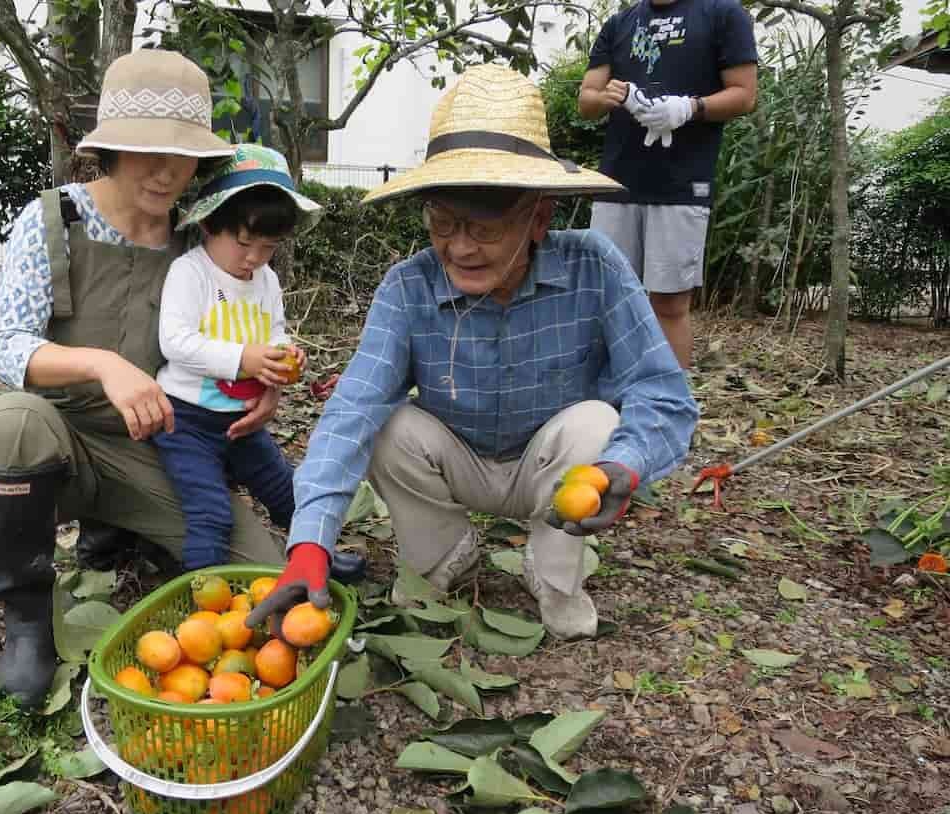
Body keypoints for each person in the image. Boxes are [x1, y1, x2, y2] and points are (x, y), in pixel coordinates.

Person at [0, 51, 353, 709]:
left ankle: (124, 527)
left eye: (183, 155)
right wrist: (102, 364)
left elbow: (241, 325)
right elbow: (6, 347)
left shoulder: (199, 238)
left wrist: (270, 381)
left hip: (152, 440)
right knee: (10, 424)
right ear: (110, 147)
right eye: (146, 151)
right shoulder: (55, 220)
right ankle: (26, 621)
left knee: (252, 572)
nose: (166, 171)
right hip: (51, 429)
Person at [246, 64, 699, 641]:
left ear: (539, 218)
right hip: (454, 458)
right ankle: (443, 555)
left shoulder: (595, 267)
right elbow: (351, 411)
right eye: (442, 222)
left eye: (483, 229)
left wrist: (624, 466)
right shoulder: (409, 287)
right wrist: (310, 543)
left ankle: (554, 571)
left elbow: (662, 391)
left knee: (598, 423)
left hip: (551, 467)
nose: (459, 247)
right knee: (384, 424)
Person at [151, 144, 318, 571]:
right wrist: (244, 357)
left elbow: (274, 331)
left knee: (288, 493)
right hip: (185, 422)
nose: (254, 258)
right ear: (209, 224)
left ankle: (319, 563)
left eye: (268, 247)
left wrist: (283, 358)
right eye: (244, 243)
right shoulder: (191, 273)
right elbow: (175, 342)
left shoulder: (266, 280)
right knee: (211, 513)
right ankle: (202, 596)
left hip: (242, 422)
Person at [578, 0, 757, 367]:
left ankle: (668, 407)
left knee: (670, 303)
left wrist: (691, 108)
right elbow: (586, 99)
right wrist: (606, 98)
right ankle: (609, 401)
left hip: (682, 185)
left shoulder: (722, 14)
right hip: (616, 183)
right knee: (606, 299)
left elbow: (744, 93)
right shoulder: (619, 23)